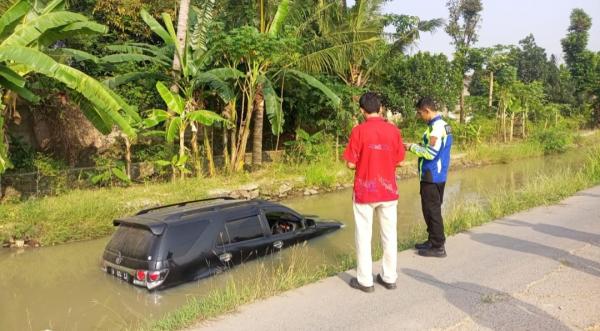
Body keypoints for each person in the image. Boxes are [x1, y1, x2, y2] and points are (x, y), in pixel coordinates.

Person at [343, 92, 405, 293]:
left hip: (365, 192)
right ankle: (389, 277)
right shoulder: (393, 131)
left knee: (363, 235)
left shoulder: (358, 131)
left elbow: (351, 164)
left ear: (362, 111)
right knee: (389, 235)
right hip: (388, 191)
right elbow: (400, 161)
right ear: (380, 109)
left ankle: (365, 281)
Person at [404, 97, 453, 258]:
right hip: (436, 174)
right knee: (429, 209)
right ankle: (432, 240)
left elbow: (430, 153)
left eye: (420, 113)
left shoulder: (436, 129)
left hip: (432, 175)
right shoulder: (441, 125)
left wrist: (412, 147)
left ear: (427, 110)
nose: (420, 116)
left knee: (432, 211)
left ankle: (438, 246)